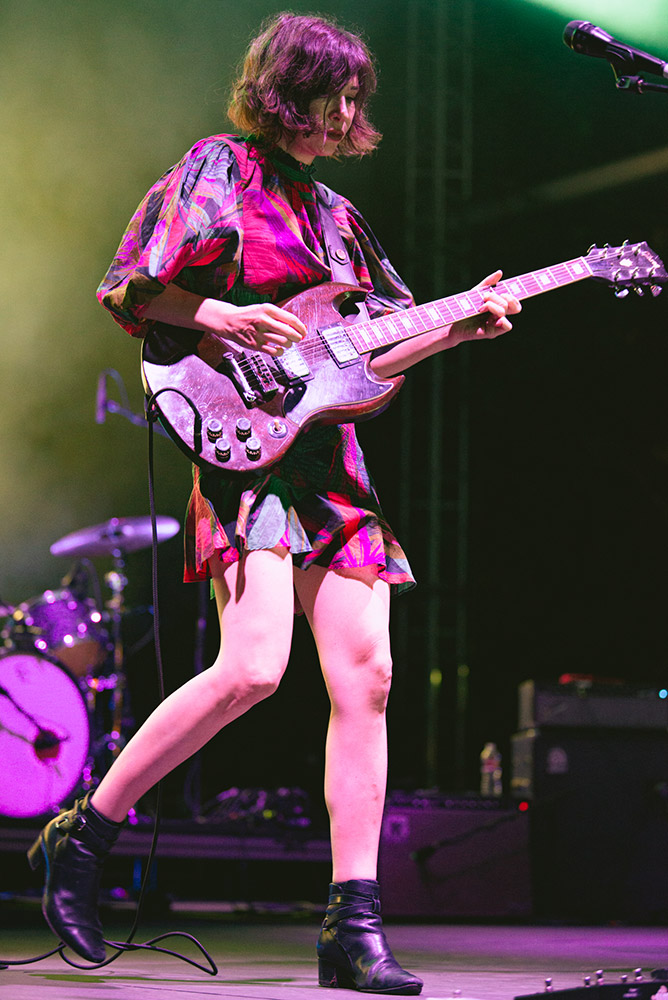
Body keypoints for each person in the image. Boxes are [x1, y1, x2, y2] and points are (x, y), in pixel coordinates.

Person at [28, 12, 520, 994]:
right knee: (253, 667)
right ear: (287, 89)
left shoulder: (338, 219)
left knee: (368, 675)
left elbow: (372, 350)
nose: (350, 112)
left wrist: (456, 329)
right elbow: (130, 287)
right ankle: (85, 835)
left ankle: (352, 921)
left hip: (331, 465)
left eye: (358, 98)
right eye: (337, 92)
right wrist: (212, 310)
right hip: (246, 451)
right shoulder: (219, 171)